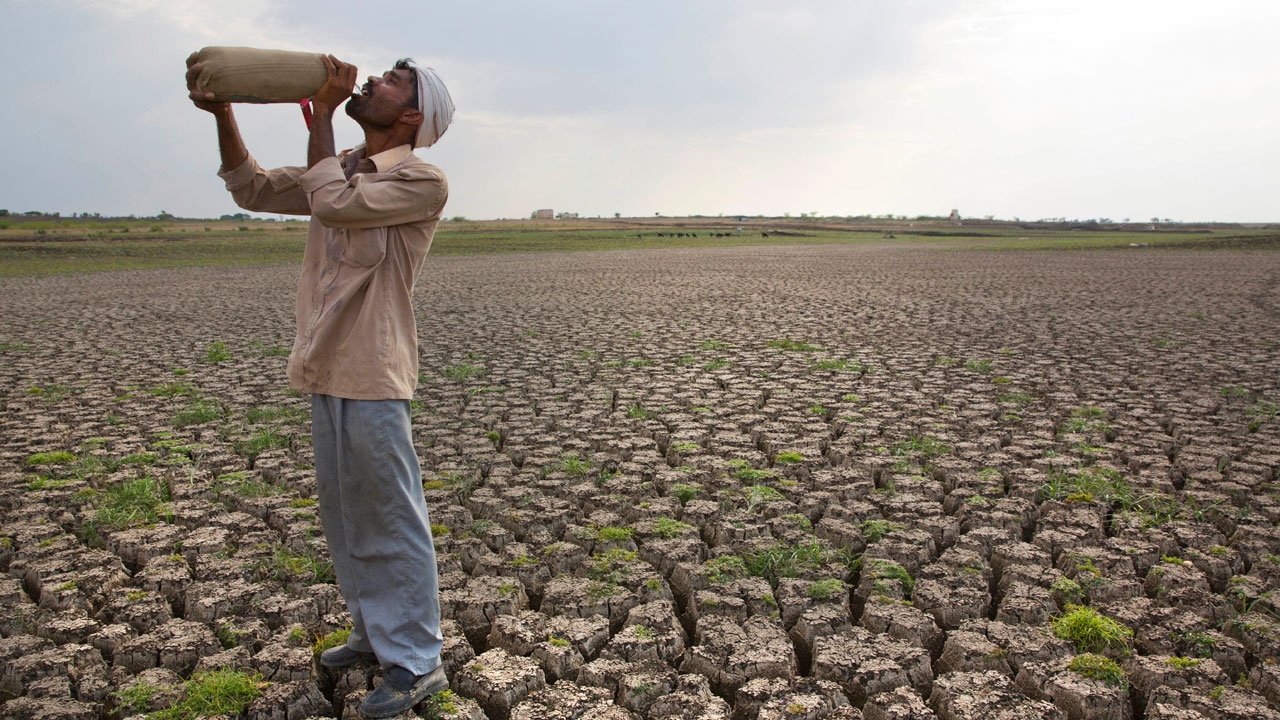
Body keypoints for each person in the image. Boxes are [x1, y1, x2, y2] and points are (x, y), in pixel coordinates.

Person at [186, 51, 455, 719]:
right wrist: (224, 111)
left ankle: (418, 663)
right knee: (346, 515)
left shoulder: (421, 179)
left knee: (392, 517)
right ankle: (372, 636)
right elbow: (249, 187)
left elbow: (332, 205)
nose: (370, 82)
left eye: (390, 81)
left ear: (413, 113)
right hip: (326, 365)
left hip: (373, 368)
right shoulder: (344, 168)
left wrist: (327, 115)